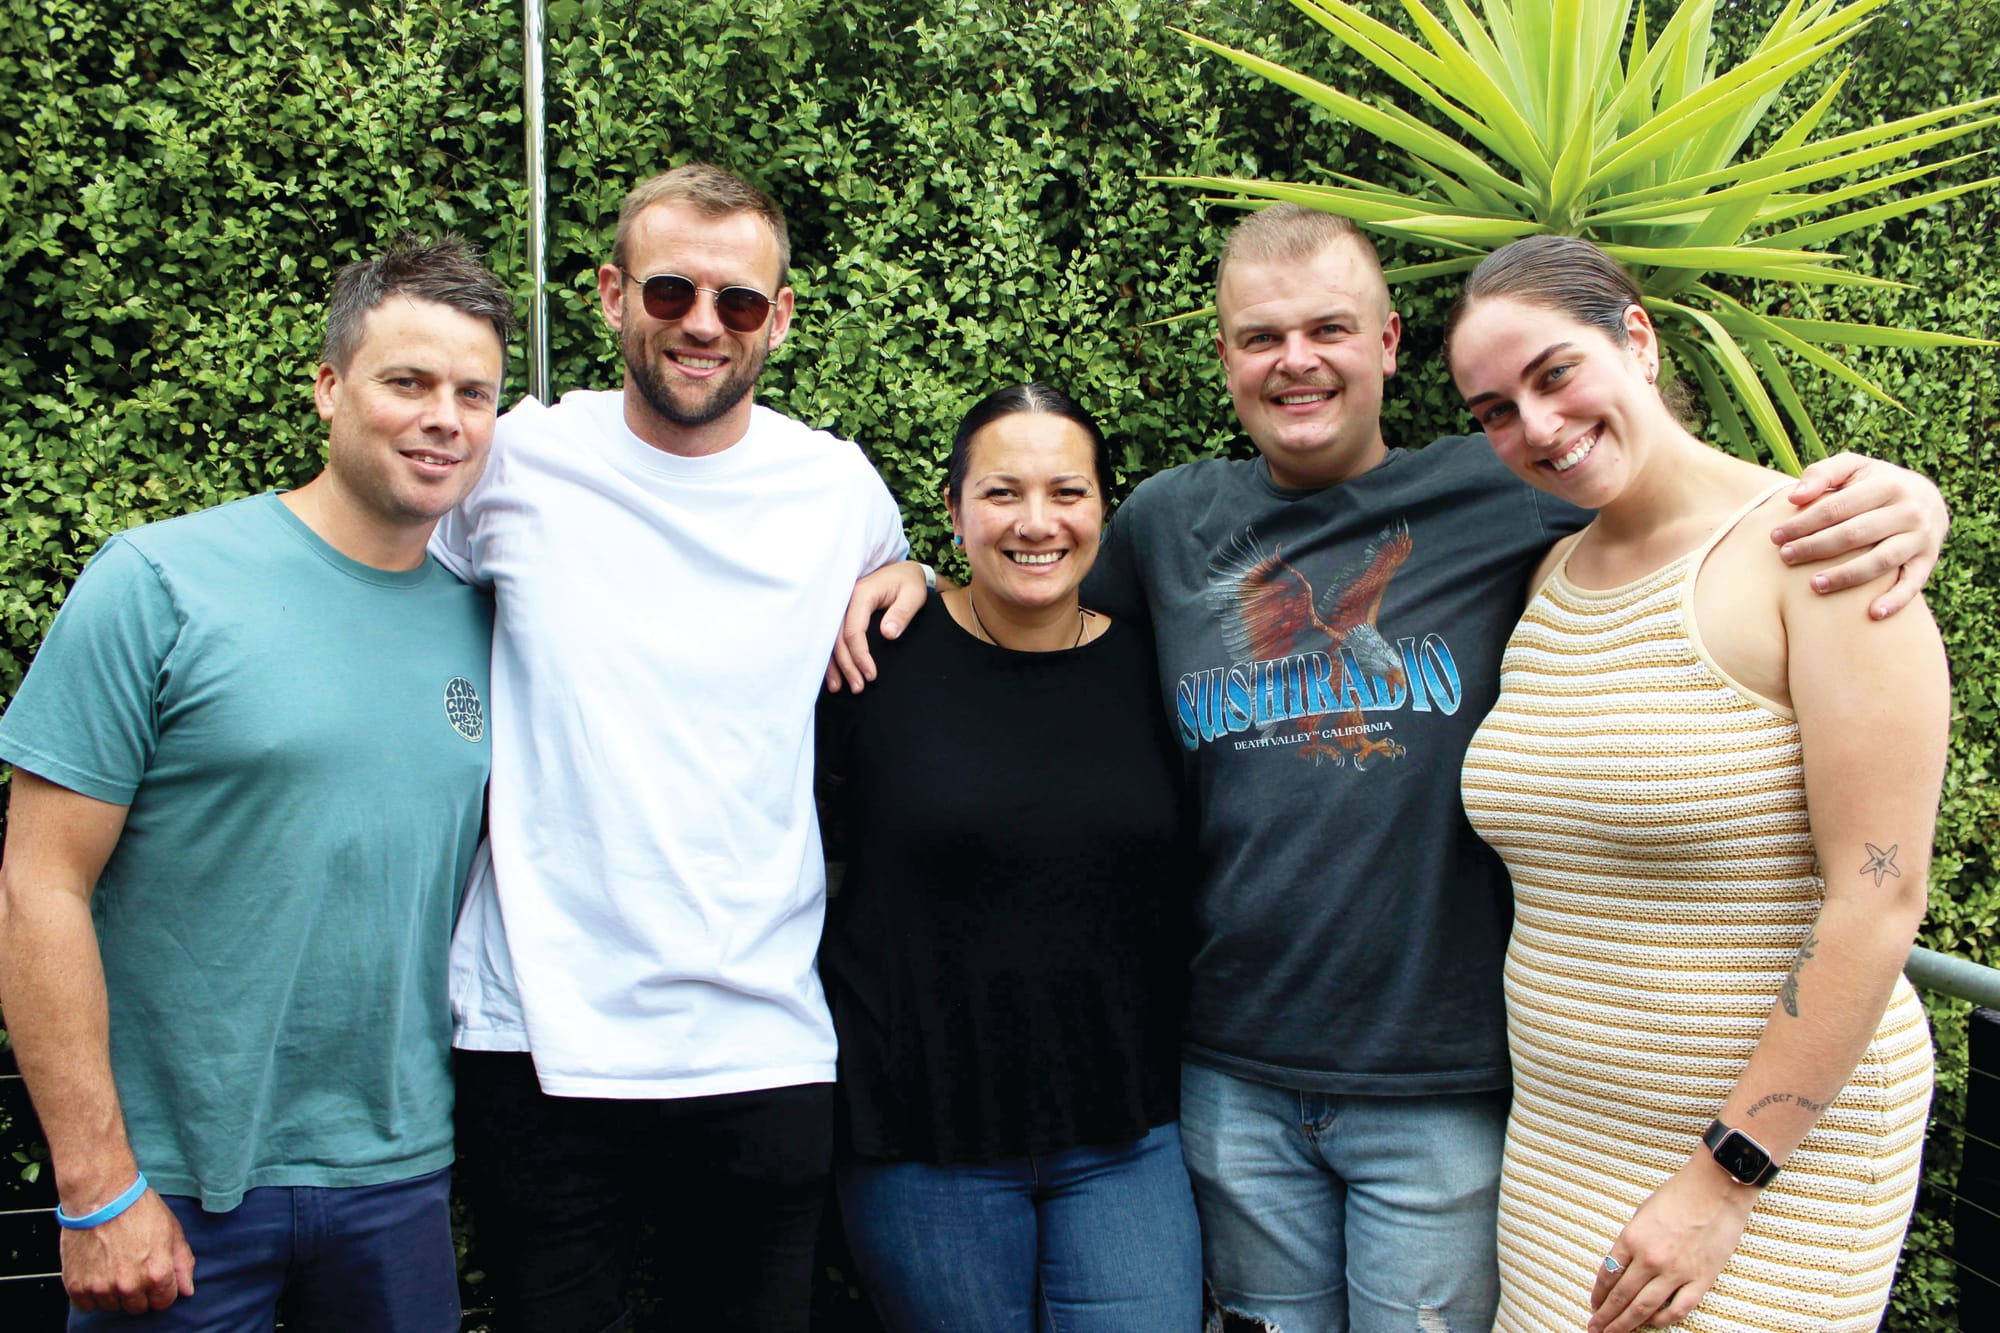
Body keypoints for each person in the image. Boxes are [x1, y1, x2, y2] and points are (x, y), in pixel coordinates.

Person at [834, 204, 1950, 1333]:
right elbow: (1041, 617)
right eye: (1260, 337)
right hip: (1231, 1072)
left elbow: (1687, 504)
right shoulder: (1167, 524)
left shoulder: (1515, 483)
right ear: (1223, 357)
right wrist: (919, 583)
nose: (1296, 360)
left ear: (1386, 343)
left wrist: (1905, 503)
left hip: (1439, 1087)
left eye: (1329, 327)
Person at [0, 235, 513, 1329]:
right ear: (328, 387)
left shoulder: (490, 622)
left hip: (396, 1178)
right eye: (408, 382)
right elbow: (36, 887)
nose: (445, 418)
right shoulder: (159, 583)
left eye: (474, 393)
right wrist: (95, 1186)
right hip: (172, 1194)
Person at [434, 162, 909, 1333]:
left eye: (738, 302)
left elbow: (914, 588)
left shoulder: (836, 489)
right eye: (669, 292)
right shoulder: (510, 461)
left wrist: (907, 574)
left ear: (779, 319)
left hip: (757, 1037)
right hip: (535, 1037)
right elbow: (385, 588)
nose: (702, 324)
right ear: (609, 295)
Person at [1450, 234, 1942, 1333]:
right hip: (1563, 1141)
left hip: (1759, 1164)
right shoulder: (1546, 573)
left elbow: (1878, 898)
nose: (1534, 425)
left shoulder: (1819, 549)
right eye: (1491, 409)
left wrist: (1723, 1179)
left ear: (1634, 335)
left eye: (1552, 372)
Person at [816, 383, 1202, 1332]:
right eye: (1001, 493)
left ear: (1105, 509)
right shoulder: (873, 663)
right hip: (922, 1141)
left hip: (1125, 1134)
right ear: (952, 512)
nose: (1037, 522)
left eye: (1068, 492)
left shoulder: (1159, 669)